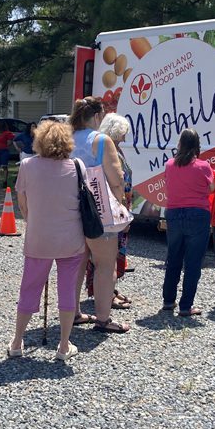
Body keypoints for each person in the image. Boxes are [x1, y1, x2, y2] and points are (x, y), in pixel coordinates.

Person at [10, 121, 82, 360]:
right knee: (68, 290)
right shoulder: (77, 166)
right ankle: (63, 344)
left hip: (39, 237)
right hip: (70, 238)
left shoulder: (28, 165)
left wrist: (36, 220)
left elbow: (23, 203)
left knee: (29, 287)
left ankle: (17, 341)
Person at [70, 97, 130, 333]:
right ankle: (103, 319)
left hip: (70, 210)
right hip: (99, 212)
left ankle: (72, 312)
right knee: (105, 266)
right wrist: (122, 208)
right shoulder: (101, 140)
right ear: (97, 117)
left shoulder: (66, 138)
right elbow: (116, 180)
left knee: (76, 264)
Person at [162, 129, 215, 316]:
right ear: (197, 145)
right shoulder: (204, 166)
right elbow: (211, 188)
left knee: (173, 258)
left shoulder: (169, 164)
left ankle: (168, 301)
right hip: (198, 214)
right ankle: (186, 306)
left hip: (174, 213)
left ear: (180, 144)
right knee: (193, 263)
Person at [85, 113, 132, 309]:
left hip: (116, 206)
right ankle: (105, 295)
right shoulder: (108, 150)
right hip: (112, 209)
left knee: (112, 254)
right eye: (123, 132)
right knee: (108, 255)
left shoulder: (113, 148)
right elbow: (115, 181)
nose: (125, 137)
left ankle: (110, 290)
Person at [0, 119, 14, 187]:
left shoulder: (7, 133)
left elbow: (10, 142)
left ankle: (5, 181)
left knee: (4, 166)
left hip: (4, 151)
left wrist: (6, 143)